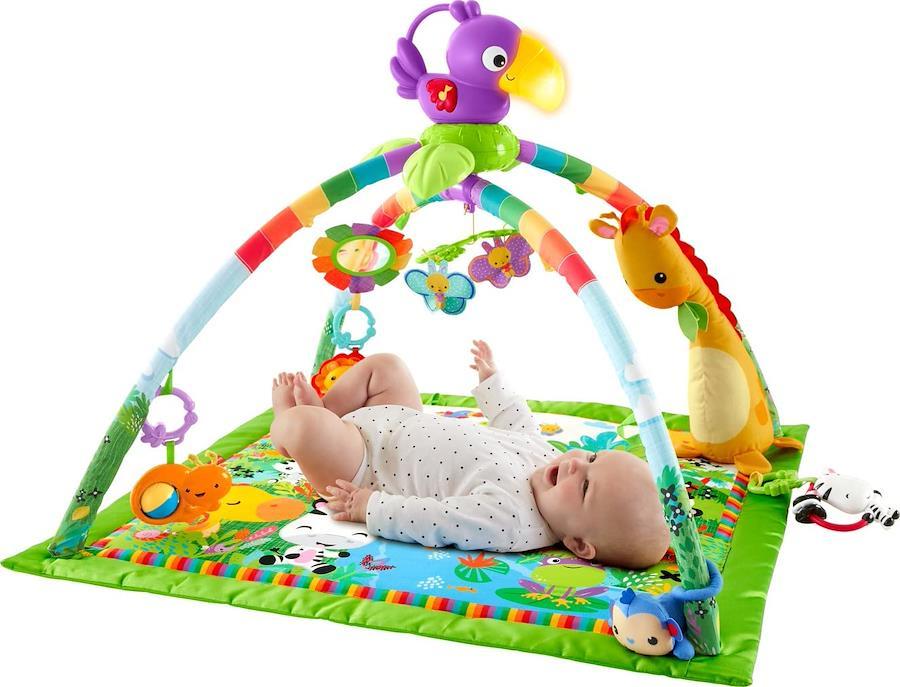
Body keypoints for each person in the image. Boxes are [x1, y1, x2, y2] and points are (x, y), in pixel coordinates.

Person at [269, 341, 669, 568]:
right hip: (399, 419)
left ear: (578, 543)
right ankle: (327, 410)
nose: (576, 464)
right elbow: (518, 423)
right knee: (387, 367)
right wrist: (493, 382)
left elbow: (437, 521)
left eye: (584, 487)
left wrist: (370, 507)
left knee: (305, 428)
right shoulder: (548, 460)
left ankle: (290, 423)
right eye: (592, 459)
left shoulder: (513, 522)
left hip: (362, 465)